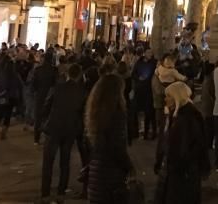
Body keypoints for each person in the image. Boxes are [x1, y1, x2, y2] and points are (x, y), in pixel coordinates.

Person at [154, 81, 211, 203]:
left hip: (183, 172)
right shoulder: (172, 115)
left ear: (177, 96)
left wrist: (182, 163)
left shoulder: (188, 117)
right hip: (173, 171)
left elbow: (195, 146)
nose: (165, 99)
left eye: (168, 96)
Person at [84, 73, 135, 204]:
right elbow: (117, 147)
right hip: (111, 175)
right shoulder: (117, 115)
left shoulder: (94, 114)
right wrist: (129, 167)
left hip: (96, 172)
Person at [39, 62, 85, 202]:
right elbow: (82, 114)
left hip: (54, 127)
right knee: (65, 161)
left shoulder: (58, 88)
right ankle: (61, 192)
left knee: (48, 161)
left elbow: (46, 107)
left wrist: (44, 122)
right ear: (79, 76)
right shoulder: (82, 92)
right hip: (70, 129)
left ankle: (45, 193)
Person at [151, 53, 186, 143]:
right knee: (162, 121)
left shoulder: (160, 72)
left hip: (168, 102)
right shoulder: (161, 76)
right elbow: (158, 90)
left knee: (168, 120)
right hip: (161, 103)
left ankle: (168, 136)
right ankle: (163, 137)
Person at [0, 56, 23, 140]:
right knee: (7, 117)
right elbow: (21, 86)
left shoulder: (0, 75)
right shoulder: (16, 75)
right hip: (12, 98)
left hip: (1, 97)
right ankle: (3, 134)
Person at [31, 52, 58, 145]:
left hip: (39, 95)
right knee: (48, 117)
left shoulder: (38, 70)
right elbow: (56, 84)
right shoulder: (54, 70)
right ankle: (47, 137)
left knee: (38, 117)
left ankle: (36, 139)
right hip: (50, 96)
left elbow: (33, 84)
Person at [131, 48, 157, 140]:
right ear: (145, 53)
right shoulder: (139, 62)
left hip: (149, 90)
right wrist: (138, 78)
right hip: (139, 90)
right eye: (148, 52)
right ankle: (135, 132)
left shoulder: (154, 63)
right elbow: (133, 73)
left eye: (151, 52)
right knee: (135, 111)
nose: (150, 54)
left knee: (149, 112)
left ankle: (147, 132)